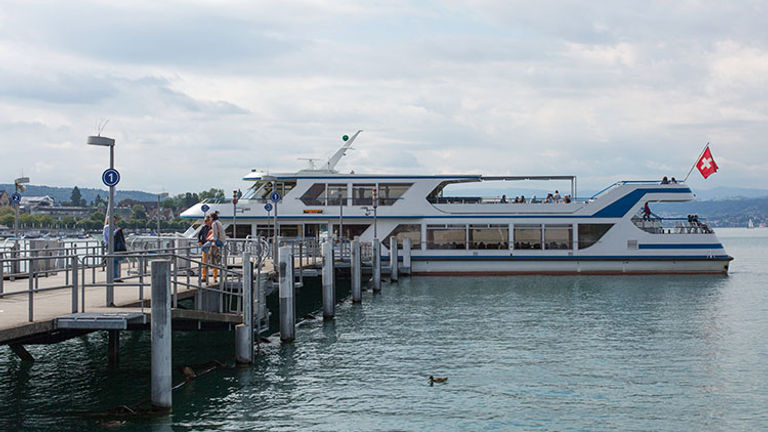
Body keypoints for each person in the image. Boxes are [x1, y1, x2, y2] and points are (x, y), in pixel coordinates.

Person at [103, 216, 127, 281]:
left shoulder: (112, 227)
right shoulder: (107, 227)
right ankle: (114, 276)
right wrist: (117, 231)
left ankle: (115, 276)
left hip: (113, 245)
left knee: (115, 261)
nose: (115, 221)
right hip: (111, 245)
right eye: (113, 220)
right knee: (114, 260)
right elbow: (110, 236)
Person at [197, 215, 212, 282]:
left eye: (206, 221)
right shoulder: (204, 228)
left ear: (210, 221)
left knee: (213, 261)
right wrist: (199, 241)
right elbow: (199, 235)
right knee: (204, 262)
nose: (205, 222)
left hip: (211, 246)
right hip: (204, 246)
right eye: (204, 221)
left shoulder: (213, 227)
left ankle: (215, 277)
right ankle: (204, 276)